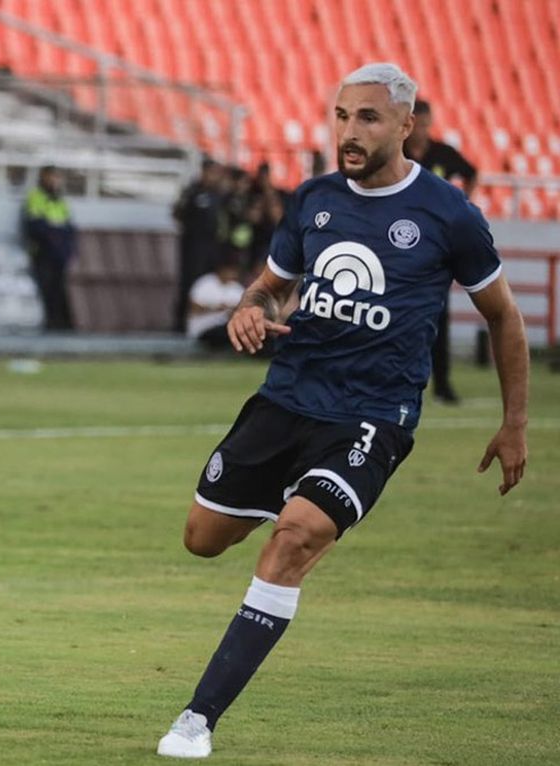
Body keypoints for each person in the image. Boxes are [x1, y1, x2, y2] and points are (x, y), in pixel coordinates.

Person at [155, 63, 529, 759]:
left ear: (406, 126)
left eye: (368, 118)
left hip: (373, 414)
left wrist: (514, 423)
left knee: (293, 538)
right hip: (286, 398)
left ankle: (196, 719)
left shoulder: (448, 214)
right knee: (202, 538)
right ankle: (303, 507)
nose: (349, 131)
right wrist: (249, 310)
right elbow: (269, 286)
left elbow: (503, 316)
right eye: (341, 115)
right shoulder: (314, 199)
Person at [406, 99, 479, 405]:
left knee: (438, 314)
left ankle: (442, 384)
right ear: (409, 123)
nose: (423, 130)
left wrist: (463, 204)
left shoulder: (442, 154)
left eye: (427, 124)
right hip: (401, 241)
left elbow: (471, 172)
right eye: (419, 124)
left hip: (436, 243)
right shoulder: (396, 152)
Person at [173, 158, 226, 333]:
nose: (214, 177)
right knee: (190, 281)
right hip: (193, 245)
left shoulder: (219, 194)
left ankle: (207, 322)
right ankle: (181, 322)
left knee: (208, 281)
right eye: (211, 173)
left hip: (212, 244)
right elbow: (178, 214)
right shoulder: (192, 192)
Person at [23, 165, 76, 331]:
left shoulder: (61, 200)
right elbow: (35, 225)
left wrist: (67, 246)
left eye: (57, 177)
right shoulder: (35, 197)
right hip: (43, 251)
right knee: (45, 287)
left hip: (60, 252)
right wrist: (54, 233)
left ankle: (60, 323)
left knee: (59, 288)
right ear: (43, 177)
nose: (54, 180)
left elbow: (69, 226)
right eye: (51, 176)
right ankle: (48, 322)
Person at [185, 251, 245, 350]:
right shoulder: (205, 283)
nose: (233, 274)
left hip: (227, 328)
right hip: (204, 329)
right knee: (225, 332)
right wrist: (216, 308)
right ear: (222, 270)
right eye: (230, 271)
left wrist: (233, 311)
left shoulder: (237, 288)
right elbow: (193, 308)